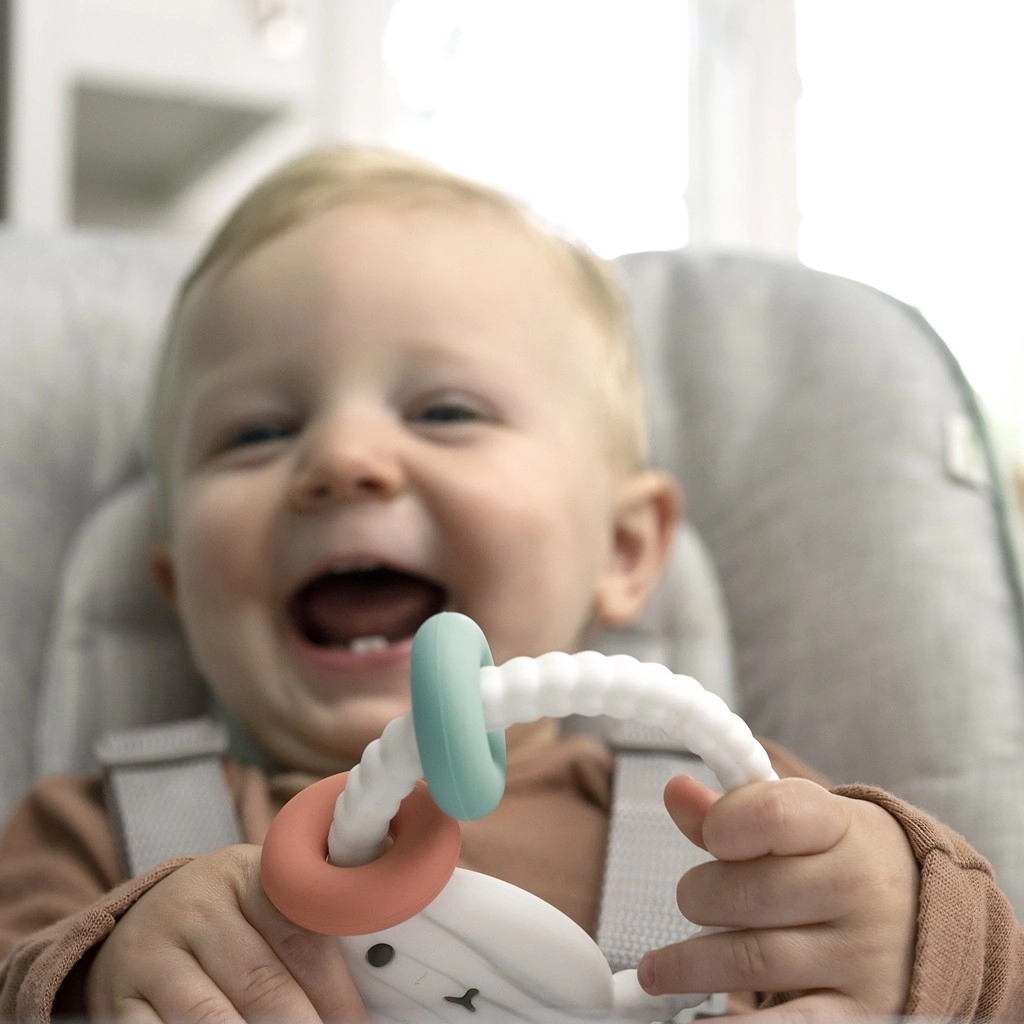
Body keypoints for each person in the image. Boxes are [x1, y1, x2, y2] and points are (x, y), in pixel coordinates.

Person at [0, 145, 1019, 1023]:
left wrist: (913, 942)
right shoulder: (97, 835)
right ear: (175, 583)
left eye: (445, 412)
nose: (343, 458)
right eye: (258, 432)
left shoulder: (725, 813)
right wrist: (102, 976)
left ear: (623, 550)